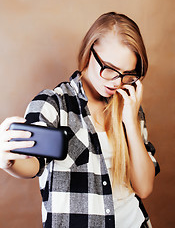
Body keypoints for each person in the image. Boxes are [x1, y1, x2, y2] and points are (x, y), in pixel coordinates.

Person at [0, 12, 160, 228]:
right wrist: (8, 161)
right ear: (89, 53)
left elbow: (144, 188)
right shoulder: (54, 104)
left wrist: (130, 121)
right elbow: (32, 163)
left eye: (127, 74)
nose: (116, 82)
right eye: (110, 69)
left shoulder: (129, 105)